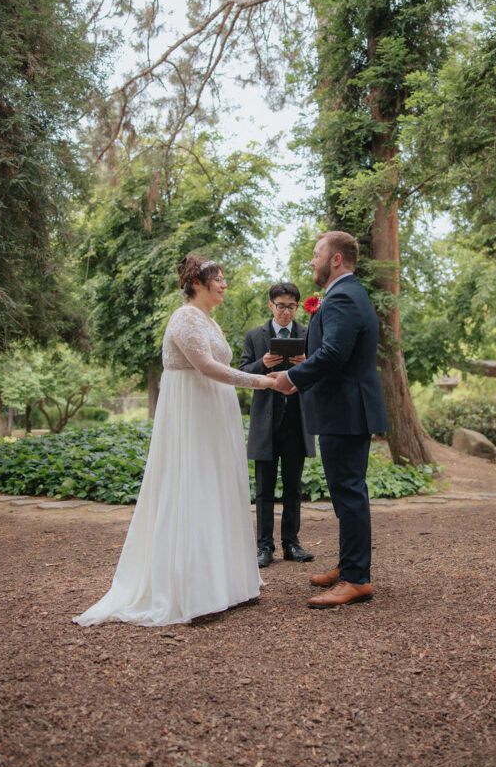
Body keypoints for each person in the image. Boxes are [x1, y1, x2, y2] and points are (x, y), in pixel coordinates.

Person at [73, 255, 277, 628]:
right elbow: (207, 367)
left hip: (214, 411)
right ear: (197, 283)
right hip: (193, 413)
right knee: (193, 486)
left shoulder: (208, 320)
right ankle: (194, 589)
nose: (224, 284)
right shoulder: (184, 317)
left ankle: (226, 584)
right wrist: (263, 381)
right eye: (218, 278)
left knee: (218, 487)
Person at [272, 232, 389, 608]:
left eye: (317, 254)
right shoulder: (348, 294)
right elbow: (337, 352)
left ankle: (357, 579)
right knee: (345, 491)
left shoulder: (341, 297)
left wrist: (292, 377)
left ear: (336, 259)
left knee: (350, 492)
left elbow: (335, 353)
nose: (312, 261)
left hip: (346, 409)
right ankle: (349, 564)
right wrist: (307, 369)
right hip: (346, 407)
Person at [238, 282, 316, 569]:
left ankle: (291, 544)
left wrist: (307, 362)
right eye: (281, 306)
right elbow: (242, 373)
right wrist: (263, 362)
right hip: (265, 423)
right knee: (264, 490)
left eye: (291, 307)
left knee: (293, 488)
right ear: (271, 305)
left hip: (297, 421)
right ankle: (264, 547)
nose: (286, 312)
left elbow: (319, 372)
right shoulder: (254, 336)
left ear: (297, 307)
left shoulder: (308, 334)